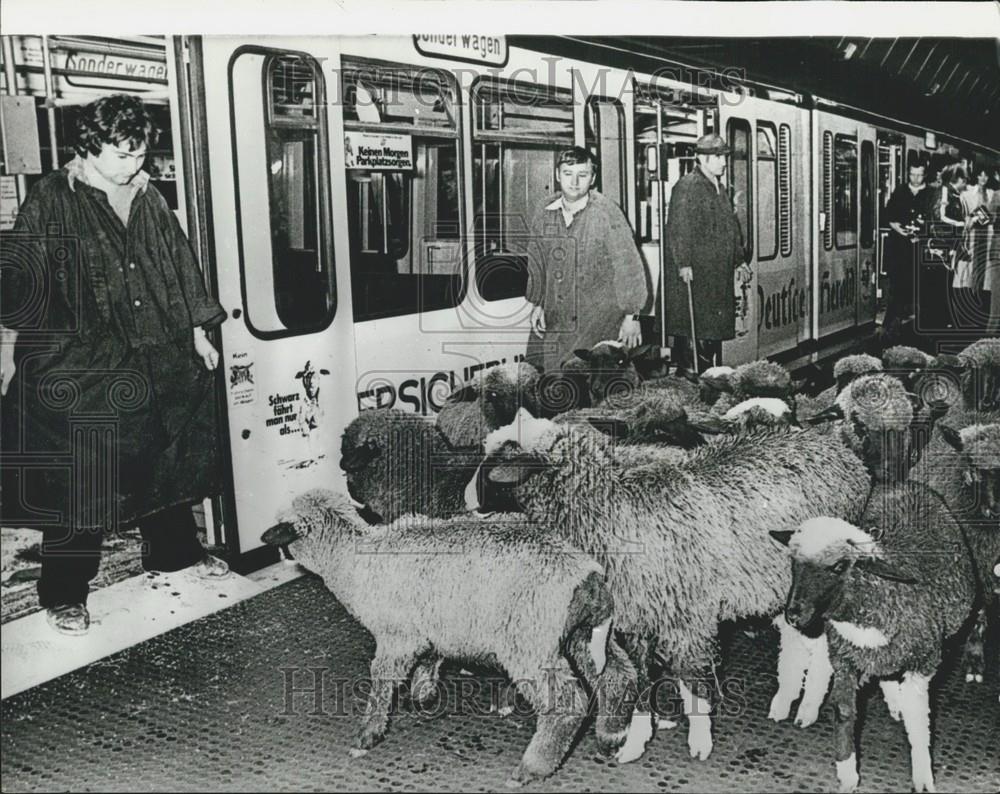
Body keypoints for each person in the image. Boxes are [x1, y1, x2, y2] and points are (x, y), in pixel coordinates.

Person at [0, 94, 229, 636]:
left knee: (164, 452)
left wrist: (197, 332)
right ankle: (64, 593)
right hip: (85, 364)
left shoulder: (147, 196)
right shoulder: (54, 198)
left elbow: (177, 264)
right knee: (82, 478)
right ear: (90, 147)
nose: (136, 166)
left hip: (153, 351)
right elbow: (19, 281)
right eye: (122, 155)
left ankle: (172, 554)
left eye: (140, 154)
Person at [523, 147, 649, 374]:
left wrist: (633, 316)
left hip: (598, 317)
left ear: (593, 179)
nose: (574, 182)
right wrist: (537, 302)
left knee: (591, 383)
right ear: (557, 175)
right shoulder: (544, 211)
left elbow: (628, 266)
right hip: (557, 314)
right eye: (568, 173)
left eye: (582, 175)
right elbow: (536, 259)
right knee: (553, 380)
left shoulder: (607, 213)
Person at [655, 133, 749, 373]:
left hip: (713, 276)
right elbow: (678, 228)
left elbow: (731, 227)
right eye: (718, 157)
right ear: (702, 159)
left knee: (709, 335)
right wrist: (683, 263)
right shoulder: (688, 187)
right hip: (696, 277)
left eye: (723, 156)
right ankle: (693, 382)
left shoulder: (718, 188)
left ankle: (707, 379)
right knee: (695, 334)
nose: (723, 162)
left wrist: (739, 260)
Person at [882, 162, 933, 340]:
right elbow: (888, 215)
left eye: (919, 175)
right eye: (912, 174)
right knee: (897, 289)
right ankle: (890, 330)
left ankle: (922, 332)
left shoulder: (931, 194)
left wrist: (923, 236)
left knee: (923, 290)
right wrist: (897, 228)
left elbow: (935, 221)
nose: (915, 179)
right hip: (900, 249)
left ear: (924, 175)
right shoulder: (900, 191)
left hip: (921, 250)